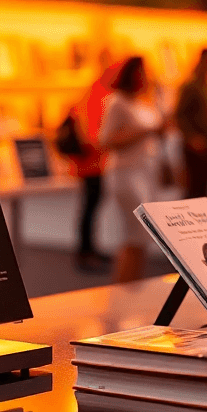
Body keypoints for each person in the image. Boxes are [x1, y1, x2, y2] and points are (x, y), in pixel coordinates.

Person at [99, 57, 166, 282]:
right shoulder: (117, 103)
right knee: (134, 234)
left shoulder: (143, 103)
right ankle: (123, 286)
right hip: (126, 173)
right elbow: (106, 140)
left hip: (145, 173)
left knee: (142, 235)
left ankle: (132, 286)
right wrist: (145, 131)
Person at [65, 62, 121, 273]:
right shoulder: (97, 96)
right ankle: (85, 252)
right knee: (89, 207)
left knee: (92, 207)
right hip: (91, 162)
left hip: (95, 162)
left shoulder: (96, 94)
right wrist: (104, 143)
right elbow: (92, 134)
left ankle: (90, 249)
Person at [175, 48, 207, 199]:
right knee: (194, 187)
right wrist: (191, 137)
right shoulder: (191, 85)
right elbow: (180, 114)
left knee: (204, 186)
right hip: (195, 143)